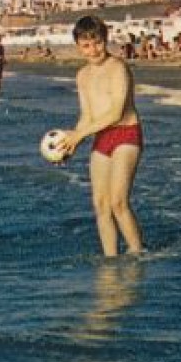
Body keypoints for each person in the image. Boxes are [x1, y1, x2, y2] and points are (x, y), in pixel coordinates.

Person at [49, 16, 144, 256]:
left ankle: (137, 254)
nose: (94, 50)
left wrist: (79, 135)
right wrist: (68, 146)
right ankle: (111, 260)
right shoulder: (82, 75)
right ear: (78, 47)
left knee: (118, 202)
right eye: (86, 45)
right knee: (101, 205)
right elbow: (87, 115)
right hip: (101, 138)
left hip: (126, 134)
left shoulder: (118, 68)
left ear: (106, 40)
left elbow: (115, 112)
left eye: (98, 43)